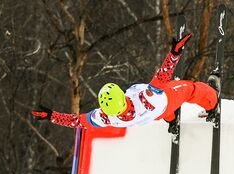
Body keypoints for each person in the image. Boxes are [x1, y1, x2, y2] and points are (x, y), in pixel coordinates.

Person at [32, 33, 219, 130]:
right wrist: (174, 53)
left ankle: (171, 120)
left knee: (161, 113)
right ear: (121, 97)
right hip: (167, 99)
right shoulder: (145, 98)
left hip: (155, 114)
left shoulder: (106, 118)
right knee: (190, 89)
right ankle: (213, 102)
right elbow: (162, 77)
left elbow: (77, 122)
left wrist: (51, 116)